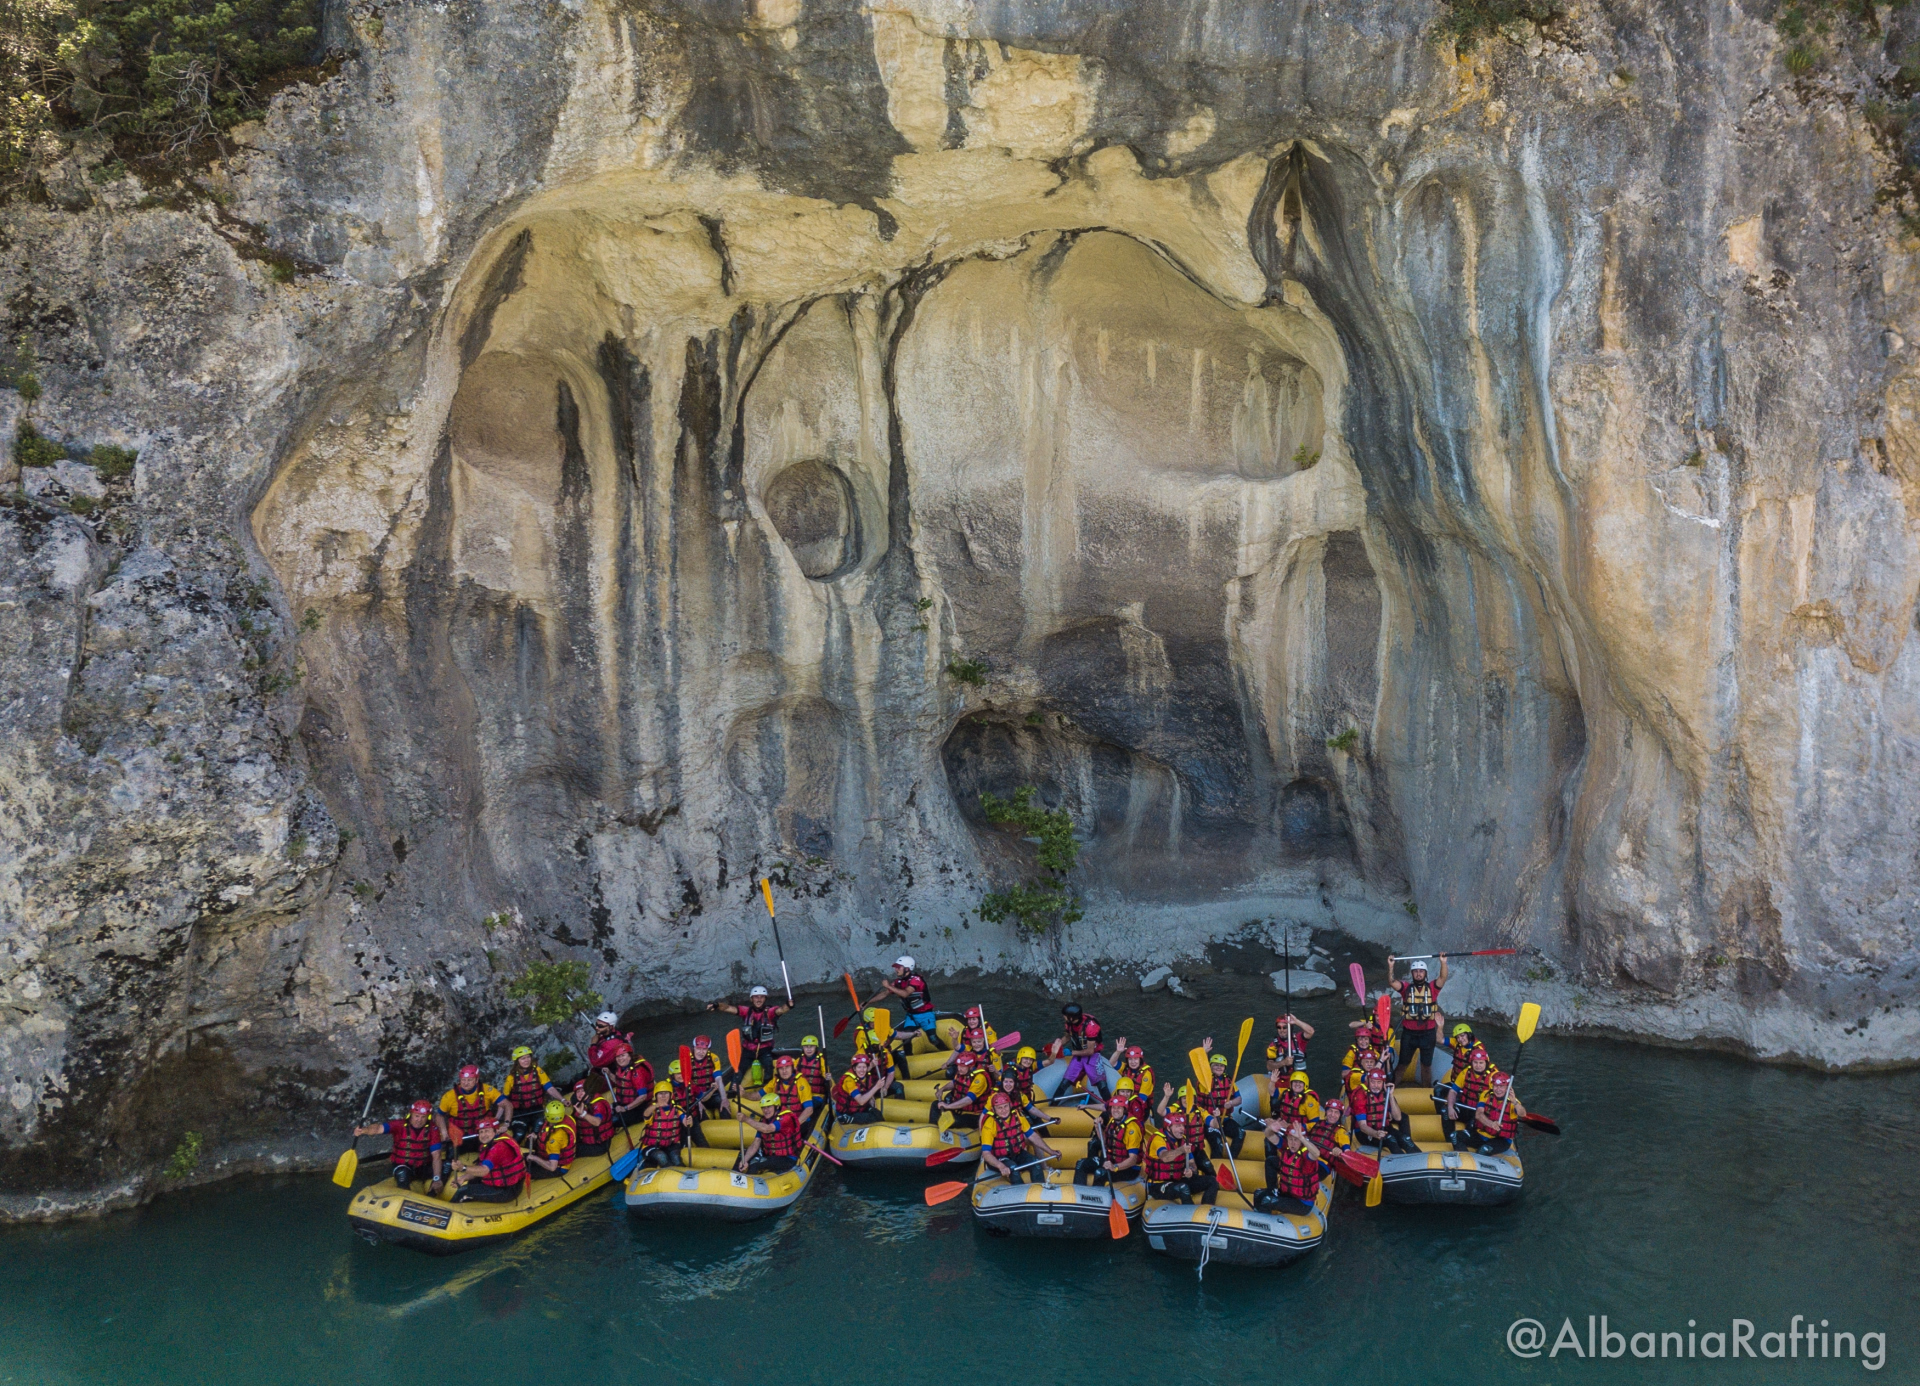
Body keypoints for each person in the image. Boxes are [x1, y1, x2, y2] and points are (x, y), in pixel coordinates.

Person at [709, 985, 791, 1090]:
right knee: (739, 1070)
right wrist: (717, 1005)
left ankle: (767, 1089)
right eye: (756, 997)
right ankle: (732, 1092)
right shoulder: (746, 1011)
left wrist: (789, 1005)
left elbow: (781, 1010)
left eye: (762, 997)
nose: (759, 999)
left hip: (765, 1049)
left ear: (765, 999)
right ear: (751, 999)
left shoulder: (770, 1012)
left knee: (769, 1068)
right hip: (748, 1049)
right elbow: (728, 1008)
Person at [354, 1099, 444, 1193]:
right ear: (411, 1114)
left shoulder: (433, 1129)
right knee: (402, 1174)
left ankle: (432, 1195)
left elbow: (436, 1155)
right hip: (404, 1166)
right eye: (416, 1116)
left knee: (446, 1166)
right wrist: (365, 1130)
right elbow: (378, 1129)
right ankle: (405, 1198)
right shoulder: (399, 1125)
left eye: (423, 1117)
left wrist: (437, 1178)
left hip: (423, 1167)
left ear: (428, 1117)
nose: (419, 1120)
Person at [1387, 954, 1449, 1084]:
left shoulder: (1432, 988)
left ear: (1425, 974)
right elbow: (1392, 982)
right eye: (1416, 971)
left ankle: (1426, 1092)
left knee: (1426, 1066)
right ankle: (1391, 1091)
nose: (1418, 974)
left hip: (1428, 1033)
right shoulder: (1406, 989)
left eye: (1421, 971)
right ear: (1412, 974)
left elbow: (1443, 978)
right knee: (1403, 1064)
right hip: (1409, 1034)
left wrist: (1443, 962)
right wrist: (1391, 966)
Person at [857, 956, 942, 1046]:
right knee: (906, 1041)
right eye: (896, 967)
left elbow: (906, 993)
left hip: (925, 1014)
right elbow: (885, 993)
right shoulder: (898, 982)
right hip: (911, 1016)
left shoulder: (916, 980)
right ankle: (907, 1058)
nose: (896, 969)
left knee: (933, 1039)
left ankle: (948, 1055)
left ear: (907, 968)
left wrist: (889, 986)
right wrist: (868, 1002)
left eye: (898, 967)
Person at [978, 1090, 1057, 1185]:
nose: (1003, 1110)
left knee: (1035, 1163)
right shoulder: (990, 1124)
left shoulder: (1018, 1116)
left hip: (1017, 1154)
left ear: (1010, 1105)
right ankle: (1020, 1194)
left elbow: (1032, 1136)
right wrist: (1000, 1166)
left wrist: (1050, 1151)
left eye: (1005, 1106)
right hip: (1000, 1158)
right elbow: (986, 1153)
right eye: (999, 1108)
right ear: (994, 1110)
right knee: (1013, 1169)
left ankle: (1039, 1190)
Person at [1142, 1110, 1217, 1206]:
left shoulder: (1183, 1140)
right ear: (1168, 1128)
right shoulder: (1158, 1139)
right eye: (1177, 1126)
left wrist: (1190, 1170)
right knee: (1183, 1188)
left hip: (1177, 1180)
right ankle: (1190, 1215)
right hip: (1158, 1185)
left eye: (1182, 1126)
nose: (1182, 1129)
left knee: (1212, 1181)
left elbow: (1192, 1163)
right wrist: (1181, 1150)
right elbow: (1165, 1157)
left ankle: (1206, 1210)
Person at [1074, 1087, 1143, 1186]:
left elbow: (1133, 1160)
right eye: (1113, 1108)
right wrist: (1097, 1127)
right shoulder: (1112, 1121)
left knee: (1100, 1173)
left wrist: (1115, 1167)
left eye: (1119, 1108)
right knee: (1081, 1164)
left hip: (1128, 1169)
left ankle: (1095, 1199)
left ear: (1124, 1109)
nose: (1115, 1110)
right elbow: (1105, 1141)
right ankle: (1078, 1193)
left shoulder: (1132, 1129)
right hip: (1111, 1160)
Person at [1252, 1122, 1324, 1214]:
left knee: (1267, 1200)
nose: (1293, 1143)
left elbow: (1316, 1154)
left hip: (1302, 1203)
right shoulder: (1286, 1148)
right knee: (1258, 1193)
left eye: (1296, 1140)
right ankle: (1272, 1190)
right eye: (1290, 1139)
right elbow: (1269, 1136)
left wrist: (1302, 1138)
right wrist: (1270, 1129)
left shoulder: (1306, 1156)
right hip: (1287, 1194)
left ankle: (1264, 1221)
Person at [450, 1120, 526, 1203]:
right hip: (501, 1184)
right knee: (472, 1182)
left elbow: (484, 1170)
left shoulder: (499, 1147)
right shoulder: (489, 1144)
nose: (483, 1135)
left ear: (496, 1131)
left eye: (487, 1131)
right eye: (481, 1132)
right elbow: (479, 1168)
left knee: (463, 1191)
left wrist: (462, 1168)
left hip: (507, 1190)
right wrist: (463, 1178)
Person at [436, 1065, 504, 1154]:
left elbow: (505, 1104)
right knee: (450, 1157)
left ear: (476, 1080)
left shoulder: (487, 1090)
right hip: (460, 1136)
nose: (466, 1083)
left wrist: (496, 1120)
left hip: (482, 1133)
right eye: (463, 1080)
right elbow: (439, 1115)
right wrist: (444, 1132)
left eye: (469, 1080)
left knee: (495, 1151)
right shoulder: (449, 1096)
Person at [734, 1091, 805, 1174]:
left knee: (755, 1164)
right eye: (763, 1107)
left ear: (777, 1106)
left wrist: (746, 1119)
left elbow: (768, 1129)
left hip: (788, 1158)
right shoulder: (764, 1120)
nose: (765, 1110)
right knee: (741, 1157)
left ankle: (749, 1184)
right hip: (771, 1156)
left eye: (769, 1107)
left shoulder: (786, 1118)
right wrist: (745, 1160)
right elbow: (756, 1143)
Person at [1455, 1072, 1526, 1154]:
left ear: (1507, 1088)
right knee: (1455, 1136)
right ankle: (1465, 1159)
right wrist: (1491, 1124)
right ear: (1492, 1086)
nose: (1498, 1089)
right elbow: (1478, 1114)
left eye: (1501, 1087)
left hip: (1500, 1140)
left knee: (1484, 1149)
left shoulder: (1513, 1102)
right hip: (1482, 1135)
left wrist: (1514, 1101)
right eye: (1496, 1086)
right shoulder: (1485, 1095)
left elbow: (1522, 1114)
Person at [1442, 1045, 1501, 1140]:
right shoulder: (1466, 1072)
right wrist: (1450, 1107)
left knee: (1472, 1125)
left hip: (1480, 1112)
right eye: (1475, 1062)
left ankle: (1467, 1145)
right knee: (1445, 1111)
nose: (1478, 1066)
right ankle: (1449, 1140)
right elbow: (1453, 1091)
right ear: (1471, 1062)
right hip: (1466, 1106)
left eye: (1481, 1063)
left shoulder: (1493, 1077)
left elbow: (1500, 1098)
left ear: (1486, 1063)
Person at [499, 1047, 562, 1135]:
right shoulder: (511, 1078)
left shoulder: (538, 1071)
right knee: (519, 1133)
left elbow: (549, 1088)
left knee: (538, 1131)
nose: (526, 1060)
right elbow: (503, 1101)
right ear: (517, 1061)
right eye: (523, 1058)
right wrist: (497, 1118)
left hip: (537, 1110)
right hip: (520, 1113)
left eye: (528, 1057)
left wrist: (562, 1099)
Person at [1352, 1069, 1416, 1154]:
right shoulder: (1361, 1096)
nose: (1376, 1085)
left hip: (1384, 1129)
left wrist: (1391, 1095)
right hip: (1366, 1134)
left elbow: (1398, 1117)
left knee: (1406, 1140)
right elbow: (1362, 1126)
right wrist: (1376, 1133)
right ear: (1368, 1081)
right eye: (1373, 1082)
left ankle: (1419, 1161)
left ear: (1383, 1083)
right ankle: (1402, 1163)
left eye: (1379, 1082)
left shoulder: (1386, 1093)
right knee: (1391, 1140)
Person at [1192, 1047, 1240, 1157]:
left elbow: (1239, 1099)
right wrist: (1204, 1053)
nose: (1219, 1067)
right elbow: (1201, 1070)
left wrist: (1231, 1103)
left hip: (1225, 1118)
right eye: (1216, 1065)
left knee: (1241, 1134)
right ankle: (1216, 1166)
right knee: (1217, 1142)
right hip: (1208, 1117)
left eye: (1221, 1065)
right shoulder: (1205, 1081)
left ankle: (1232, 1159)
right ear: (1210, 1067)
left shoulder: (1229, 1080)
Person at [1053, 1003, 1105, 1093]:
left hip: (1093, 1055)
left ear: (1071, 1017)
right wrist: (1058, 1044)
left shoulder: (1090, 1027)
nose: (1063, 1017)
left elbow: (1090, 1051)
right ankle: (1053, 1105)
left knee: (1101, 1084)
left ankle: (1109, 1105)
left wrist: (1071, 1053)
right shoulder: (1069, 1023)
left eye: (1065, 1016)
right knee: (1065, 1082)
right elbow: (1068, 1036)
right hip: (1079, 1055)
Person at [637, 1080, 691, 1168]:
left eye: (666, 1093)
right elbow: (646, 1114)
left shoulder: (678, 1109)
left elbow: (685, 1120)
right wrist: (656, 1105)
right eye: (660, 1094)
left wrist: (688, 1121)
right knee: (661, 1157)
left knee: (677, 1159)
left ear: (671, 1095)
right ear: (656, 1096)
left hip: (671, 1144)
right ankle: (669, 1174)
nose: (663, 1096)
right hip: (652, 1146)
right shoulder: (652, 1109)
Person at [527, 1100, 577, 1179]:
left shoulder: (554, 1140)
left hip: (559, 1168)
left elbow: (552, 1167)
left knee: (526, 1171)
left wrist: (534, 1158)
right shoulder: (556, 1122)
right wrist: (536, 1137)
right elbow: (547, 1135)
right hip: (551, 1150)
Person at [834, 1053, 888, 1124]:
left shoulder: (866, 1076)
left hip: (859, 1109)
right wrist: (877, 1086)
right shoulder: (849, 1081)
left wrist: (872, 1098)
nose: (862, 1070)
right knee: (871, 1118)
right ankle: (848, 1119)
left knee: (877, 1114)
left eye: (864, 1067)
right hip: (847, 1112)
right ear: (854, 1068)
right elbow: (861, 1101)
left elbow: (866, 1088)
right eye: (859, 1067)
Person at [571, 1075, 617, 1155]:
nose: (580, 1093)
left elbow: (597, 1122)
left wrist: (583, 1114)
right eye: (578, 1092)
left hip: (600, 1145)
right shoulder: (581, 1104)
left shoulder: (598, 1104)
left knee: (568, 1152)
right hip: (586, 1141)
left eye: (582, 1090)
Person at [766, 1054, 816, 1126]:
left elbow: (809, 1109)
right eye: (781, 1068)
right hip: (781, 1121)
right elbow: (758, 1095)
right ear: (777, 1070)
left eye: (787, 1067)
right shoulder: (775, 1081)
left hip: (798, 1121)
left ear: (792, 1068)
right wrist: (744, 1094)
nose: (784, 1071)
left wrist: (795, 1125)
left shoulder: (801, 1082)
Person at [609, 1046, 652, 1126]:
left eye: (623, 1055)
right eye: (618, 1056)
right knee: (606, 1111)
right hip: (625, 1103)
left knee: (613, 1121)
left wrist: (625, 1108)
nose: (620, 1059)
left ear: (630, 1056)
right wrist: (609, 1073)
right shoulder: (623, 1068)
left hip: (640, 1107)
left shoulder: (637, 1072)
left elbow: (643, 1096)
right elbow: (622, 1083)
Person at [685, 1036, 727, 1115]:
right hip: (695, 1097)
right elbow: (688, 1084)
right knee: (700, 1114)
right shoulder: (687, 1060)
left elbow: (718, 1079)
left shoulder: (713, 1058)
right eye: (698, 1049)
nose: (701, 1052)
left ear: (708, 1049)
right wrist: (698, 1101)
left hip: (711, 1094)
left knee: (724, 1109)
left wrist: (724, 1099)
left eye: (704, 1049)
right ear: (693, 1048)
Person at [1265, 1014, 1315, 1080]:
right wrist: (1283, 1062)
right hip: (1281, 1082)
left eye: (1284, 1027)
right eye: (1279, 1027)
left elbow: (1311, 1032)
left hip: (1298, 1082)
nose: (1281, 1030)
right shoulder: (1273, 1045)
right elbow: (1269, 1066)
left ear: (1290, 1028)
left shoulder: (1298, 1039)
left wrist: (1296, 1021)